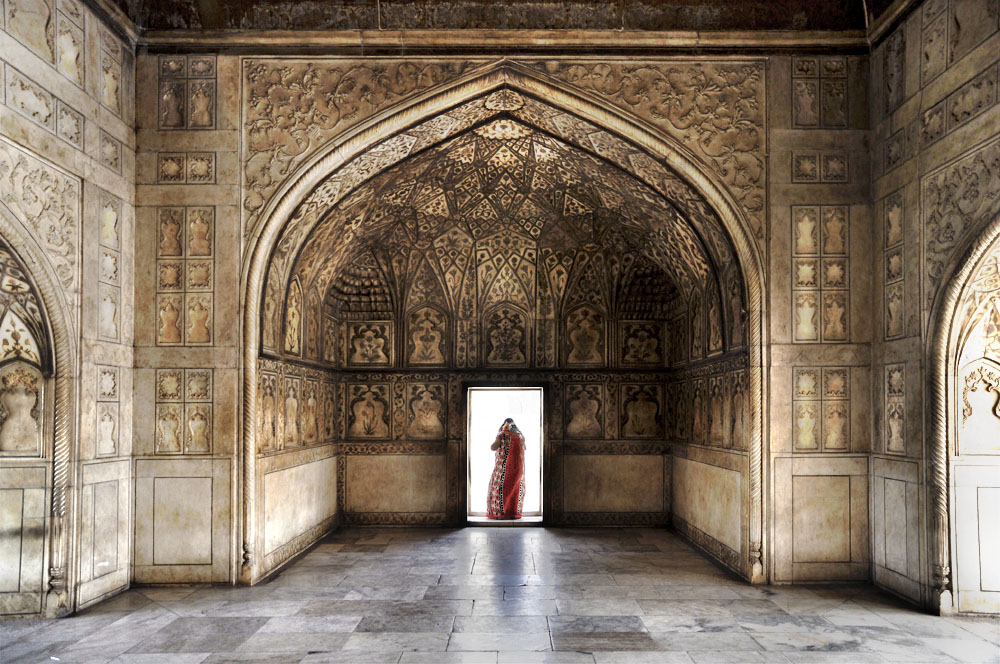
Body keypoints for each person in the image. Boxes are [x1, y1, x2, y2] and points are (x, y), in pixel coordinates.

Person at [486, 418, 525, 519]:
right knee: (515, 491)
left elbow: (493, 447)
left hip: (504, 468)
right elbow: (525, 447)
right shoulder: (520, 436)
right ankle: (513, 513)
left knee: (498, 490)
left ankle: (499, 514)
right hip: (518, 469)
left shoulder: (502, 434)